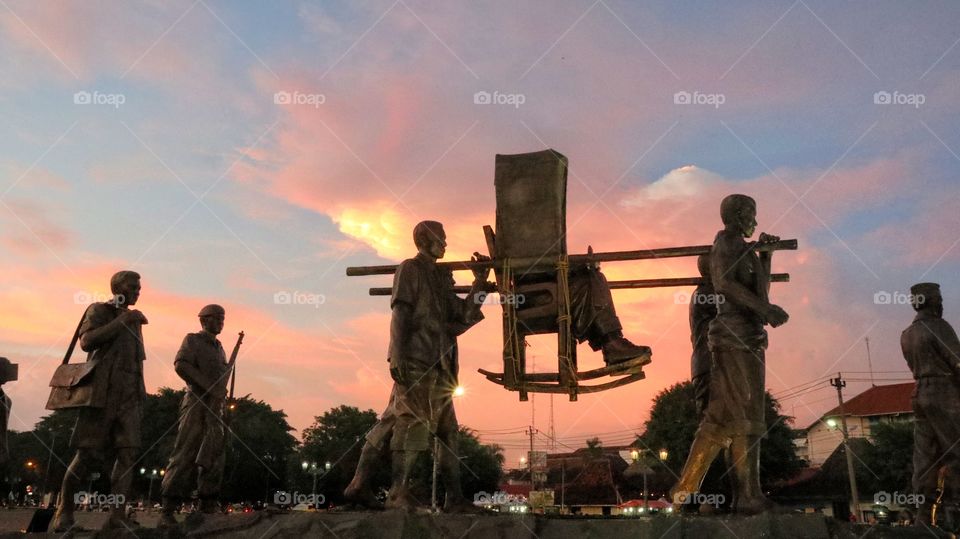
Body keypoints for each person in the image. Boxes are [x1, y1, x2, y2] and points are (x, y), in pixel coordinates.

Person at [345, 220, 488, 512]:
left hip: (441, 365)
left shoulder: (438, 276)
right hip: (416, 360)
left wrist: (480, 283)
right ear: (424, 239)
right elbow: (401, 311)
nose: (445, 243)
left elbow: (461, 318)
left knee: (441, 431)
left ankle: (452, 498)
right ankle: (398, 493)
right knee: (412, 423)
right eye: (441, 238)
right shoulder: (410, 268)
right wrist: (396, 354)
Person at [671, 194, 789, 515]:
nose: (755, 220)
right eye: (752, 213)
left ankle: (699, 488)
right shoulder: (725, 242)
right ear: (737, 215)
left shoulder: (744, 249)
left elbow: (758, 292)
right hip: (734, 338)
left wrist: (765, 257)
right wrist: (764, 309)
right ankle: (739, 494)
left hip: (749, 337)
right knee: (740, 414)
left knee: (733, 417)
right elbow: (724, 283)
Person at [51, 271, 148, 531]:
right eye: (133, 286)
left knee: (128, 454)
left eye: (139, 287)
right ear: (117, 287)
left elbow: (136, 361)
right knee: (86, 453)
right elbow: (87, 341)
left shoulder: (135, 320)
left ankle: (117, 516)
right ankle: (64, 512)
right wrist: (124, 319)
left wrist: (141, 391)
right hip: (102, 392)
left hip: (130, 394)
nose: (138, 290)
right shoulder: (99, 309)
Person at [159, 305, 231, 526]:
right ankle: (168, 507)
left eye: (223, 319)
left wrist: (220, 392)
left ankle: (208, 502)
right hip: (196, 403)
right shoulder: (193, 340)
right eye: (217, 318)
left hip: (215, 407)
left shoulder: (220, 348)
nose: (221, 322)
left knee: (214, 454)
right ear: (204, 320)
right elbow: (181, 365)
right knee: (186, 452)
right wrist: (209, 387)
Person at [901, 282, 960, 530]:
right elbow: (957, 362)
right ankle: (955, 510)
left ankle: (923, 517)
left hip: (919, 393)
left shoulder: (907, 334)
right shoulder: (938, 327)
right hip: (944, 392)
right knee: (957, 451)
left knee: (925, 458)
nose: (941, 303)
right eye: (939, 298)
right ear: (934, 301)